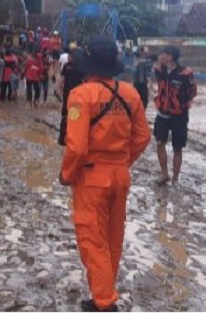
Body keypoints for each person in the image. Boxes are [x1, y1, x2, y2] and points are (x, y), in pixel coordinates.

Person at [59, 37, 151, 312]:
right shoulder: (130, 93)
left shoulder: (81, 95)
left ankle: (105, 302)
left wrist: (66, 174)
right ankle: (104, 291)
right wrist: (123, 162)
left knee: (92, 240)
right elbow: (143, 137)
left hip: (91, 178)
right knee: (112, 238)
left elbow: (76, 146)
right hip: (120, 176)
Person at [153, 46, 197, 186]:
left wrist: (184, 103)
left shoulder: (185, 73)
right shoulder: (159, 70)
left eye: (163, 54)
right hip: (162, 114)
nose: (160, 57)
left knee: (177, 147)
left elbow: (193, 92)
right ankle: (164, 174)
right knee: (160, 143)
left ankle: (175, 178)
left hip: (179, 116)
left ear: (170, 57)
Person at [57, 46, 85, 145]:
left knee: (71, 115)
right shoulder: (69, 66)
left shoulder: (78, 67)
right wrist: (58, 89)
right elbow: (62, 79)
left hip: (75, 96)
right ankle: (66, 138)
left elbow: (61, 80)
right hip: (71, 95)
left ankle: (68, 138)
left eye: (70, 55)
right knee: (68, 115)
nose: (68, 57)